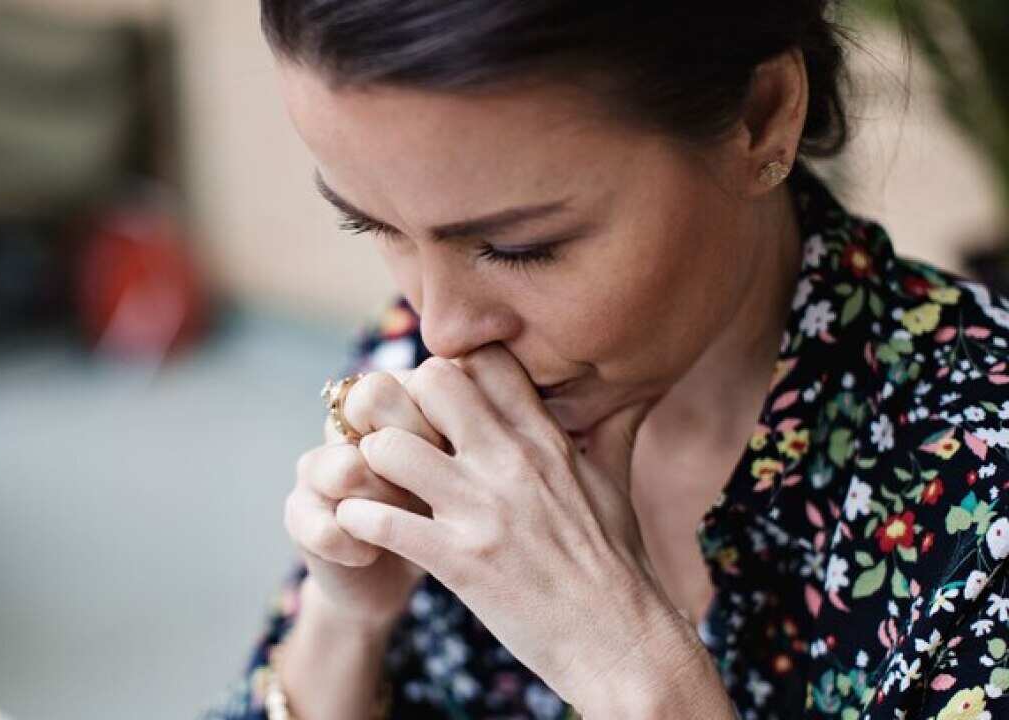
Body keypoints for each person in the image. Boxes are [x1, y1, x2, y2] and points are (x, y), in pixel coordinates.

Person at [202, 3, 1009, 718]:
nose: (441, 329)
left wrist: (632, 671)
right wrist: (345, 622)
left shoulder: (984, 490)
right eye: (370, 225)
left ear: (761, 117)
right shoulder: (415, 354)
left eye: (521, 248)